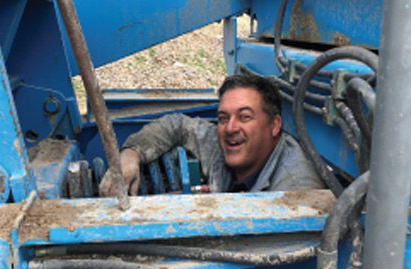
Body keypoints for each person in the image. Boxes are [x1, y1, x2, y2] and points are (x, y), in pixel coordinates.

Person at [104, 74, 325, 194]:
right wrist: (130, 155)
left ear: (274, 125)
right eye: (222, 118)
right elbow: (177, 125)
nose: (230, 128)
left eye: (245, 117)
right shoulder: (226, 144)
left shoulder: (296, 190)